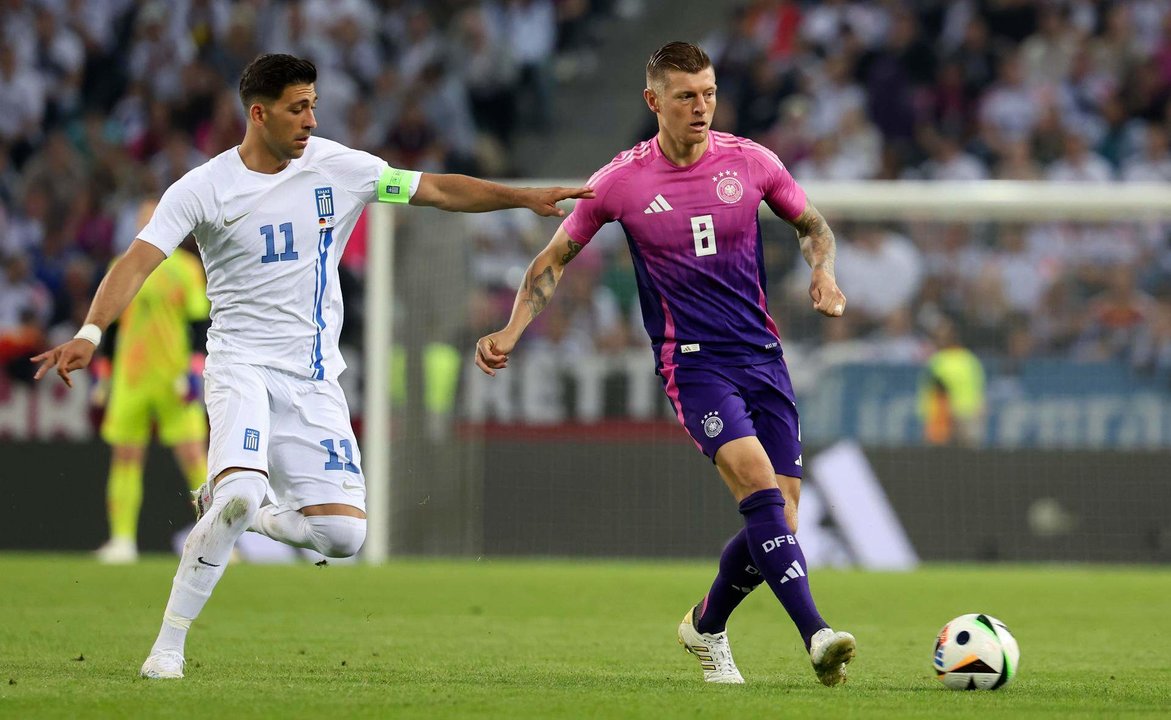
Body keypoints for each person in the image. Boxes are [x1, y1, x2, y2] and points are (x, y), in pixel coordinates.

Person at [32, 53, 593, 680]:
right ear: (259, 113)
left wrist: (525, 198)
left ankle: (240, 505)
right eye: (298, 108)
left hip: (314, 378)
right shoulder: (203, 188)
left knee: (344, 539)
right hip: (241, 365)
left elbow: (433, 188)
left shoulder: (340, 168)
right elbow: (137, 261)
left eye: (313, 105)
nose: (310, 119)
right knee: (240, 493)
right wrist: (90, 331)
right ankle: (168, 646)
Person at [474, 42, 856, 686]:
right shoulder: (622, 181)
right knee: (758, 486)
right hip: (694, 363)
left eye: (707, 93)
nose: (701, 107)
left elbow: (813, 225)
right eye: (685, 95)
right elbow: (552, 262)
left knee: (782, 515)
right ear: (654, 101)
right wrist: (512, 329)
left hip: (763, 355)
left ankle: (705, 625)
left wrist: (825, 276)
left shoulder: (753, 162)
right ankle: (816, 634)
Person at [94, 199, 211, 564]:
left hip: (173, 378)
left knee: (195, 457)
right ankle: (122, 541)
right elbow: (111, 327)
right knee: (126, 455)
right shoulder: (122, 266)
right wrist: (104, 376)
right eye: (142, 219)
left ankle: (221, 541)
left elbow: (198, 324)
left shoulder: (186, 269)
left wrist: (194, 371)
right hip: (132, 377)